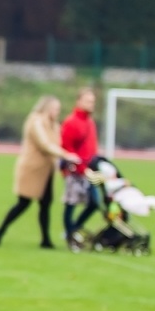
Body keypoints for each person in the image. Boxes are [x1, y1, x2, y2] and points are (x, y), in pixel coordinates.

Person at [0, 95, 69, 249]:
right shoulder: (36, 121)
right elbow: (44, 144)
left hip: (46, 170)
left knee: (45, 203)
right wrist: (65, 155)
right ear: (47, 108)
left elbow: (59, 143)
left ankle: (45, 240)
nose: (57, 112)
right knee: (23, 203)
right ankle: (0, 231)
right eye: (55, 108)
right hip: (32, 169)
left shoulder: (54, 125)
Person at [60, 89, 100, 248]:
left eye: (93, 101)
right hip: (75, 171)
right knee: (71, 203)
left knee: (94, 203)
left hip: (90, 170)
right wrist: (79, 167)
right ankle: (71, 237)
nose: (91, 104)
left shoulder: (90, 122)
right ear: (79, 101)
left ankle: (73, 230)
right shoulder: (71, 122)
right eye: (88, 101)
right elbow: (67, 148)